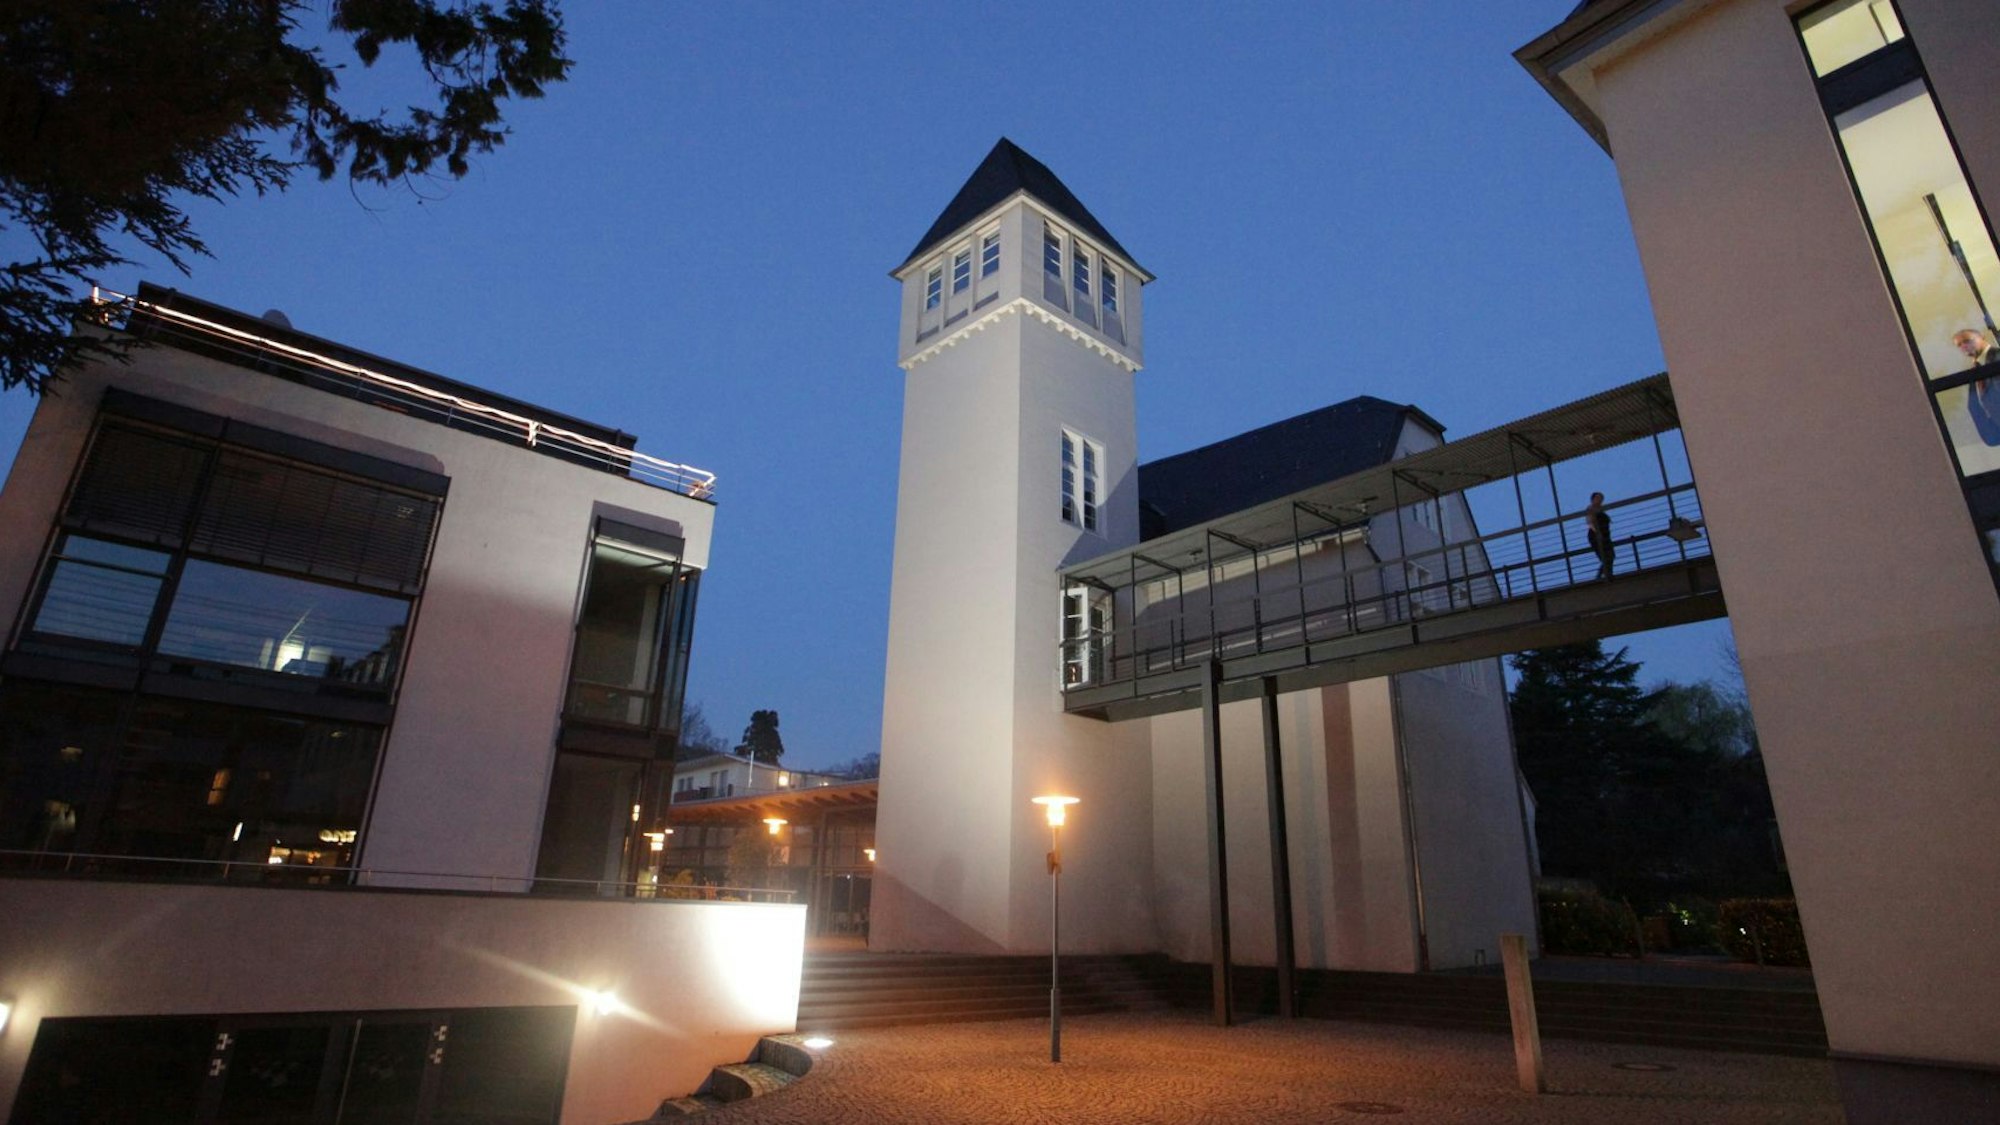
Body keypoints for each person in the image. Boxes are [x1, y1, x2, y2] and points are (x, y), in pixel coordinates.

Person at [1954, 329, 2000, 447]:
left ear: (1982, 337)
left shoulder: (1997, 356)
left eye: (1967, 341)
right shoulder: (1976, 368)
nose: (1964, 346)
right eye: (1959, 345)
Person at [1585, 492, 1613, 579]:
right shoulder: (1591, 509)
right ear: (1593, 499)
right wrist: (1597, 533)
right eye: (1597, 498)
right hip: (1596, 536)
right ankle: (1603, 576)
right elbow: (1590, 522)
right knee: (1606, 557)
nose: (1600, 500)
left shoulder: (1601, 510)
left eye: (1601, 498)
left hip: (1604, 536)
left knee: (1610, 556)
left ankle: (1606, 575)